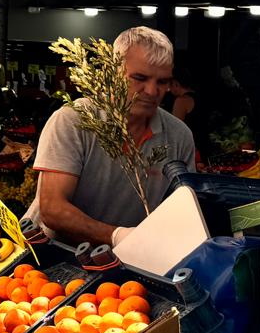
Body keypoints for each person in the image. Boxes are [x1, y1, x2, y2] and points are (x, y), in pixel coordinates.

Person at [33, 26, 197, 248]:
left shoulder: (179, 136)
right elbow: (52, 209)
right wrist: (116, 236)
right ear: (112, 73)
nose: (151, 91)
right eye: (139, 78)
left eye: (162, 82)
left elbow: (181, 213)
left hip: (128, 263)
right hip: (53, 260)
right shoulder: (73, 120)